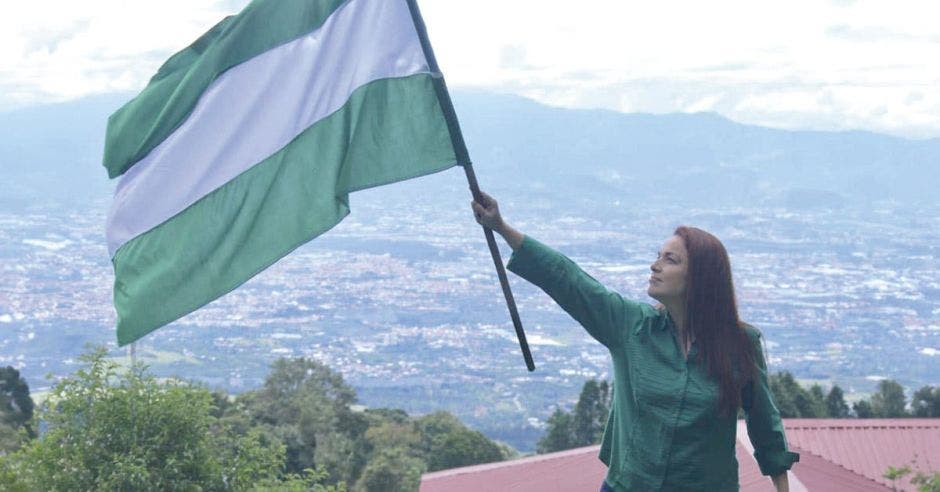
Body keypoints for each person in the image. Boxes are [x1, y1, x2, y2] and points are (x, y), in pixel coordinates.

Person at [471, 192, 798, 492]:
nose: (654, 266)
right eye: (658, 256)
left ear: (701, 278)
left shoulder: (741, 344)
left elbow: (764, 425)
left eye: (671, 260)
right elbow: (570, 280)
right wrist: (501, 227)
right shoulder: (632, 327)